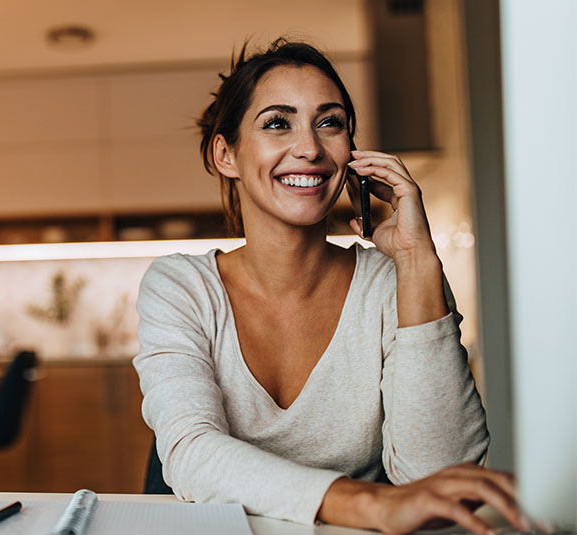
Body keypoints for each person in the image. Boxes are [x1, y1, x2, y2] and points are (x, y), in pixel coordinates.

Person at [133, 38, 527, 533]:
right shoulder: (182, 287)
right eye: (278, 122)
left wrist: (417, 261)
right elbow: (192, 452)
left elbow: (443, 481)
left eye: (330, 122)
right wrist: (372, 504)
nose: (310, 148)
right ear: (225, 154)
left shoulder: (392, 284)